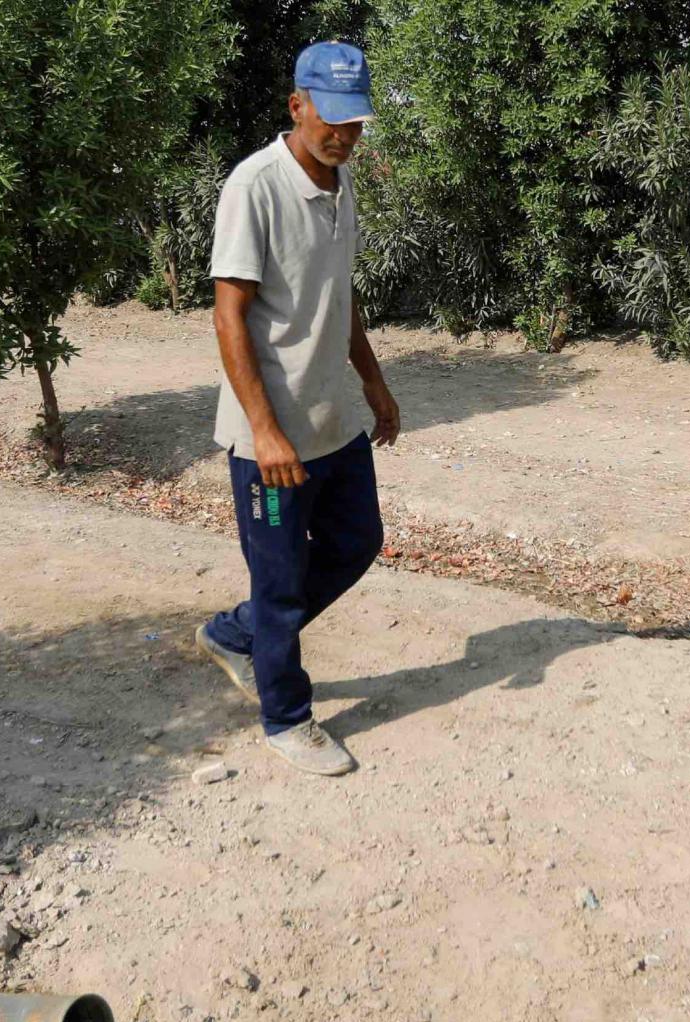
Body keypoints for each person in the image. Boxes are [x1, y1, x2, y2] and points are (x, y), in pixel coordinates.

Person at [194, 41, 400, 777]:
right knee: (281, 584)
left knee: (356, 540)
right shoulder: (254, 186)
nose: (342, 135)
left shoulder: (343, 188)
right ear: (297, 105)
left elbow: (339, 302)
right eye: (330, 120)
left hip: (331, 418)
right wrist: (263, 429)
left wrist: (373, 385)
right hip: (269, 438)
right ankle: (286, 717)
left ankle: (238, 633)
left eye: (355, 123)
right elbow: (228, 316)